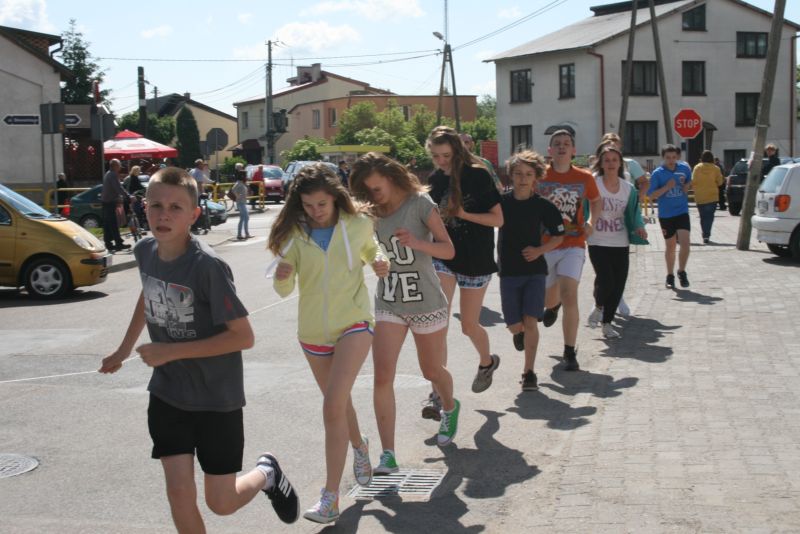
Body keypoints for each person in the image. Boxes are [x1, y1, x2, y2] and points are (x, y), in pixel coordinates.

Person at [99, 167, 299, 531]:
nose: (164, 215)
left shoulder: (208, 266)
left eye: (176, 207)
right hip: (168, 393)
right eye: (156, 205)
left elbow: (243, 337)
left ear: (194, 214)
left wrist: (170, 352)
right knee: (178, 493)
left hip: (216, 399)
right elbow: (149, 294)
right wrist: (123, 350)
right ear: (144, 207)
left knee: (221, 502)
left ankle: (266, 473)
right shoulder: (145, 251)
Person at [268, 163, 389, 524]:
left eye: (321, 204)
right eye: (308, 205)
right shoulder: (294, 234)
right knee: (339, 403)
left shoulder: (357, 224)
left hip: (354, 322)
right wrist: (282, 276)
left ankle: (330, 497)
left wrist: (379, 260)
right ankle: (360, 446)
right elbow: (283, 289)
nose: (315, 211)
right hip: (313, 334)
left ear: (336, 198)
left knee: (332, 405)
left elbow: (371, 249)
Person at [349, 152, 459, 477]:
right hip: (390, 302)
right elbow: (368, 251)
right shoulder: (369, 213)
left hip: (426, 302)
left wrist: (418, 244)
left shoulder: (420, 204)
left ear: (392, 178)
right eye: (367, 191)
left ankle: (450, 407)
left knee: (431, 371)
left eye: (377, 188)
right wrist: (375, 262)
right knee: (382, 376)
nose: (373, 196)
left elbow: (449, 249)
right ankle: (388, 454)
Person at [426, 125, 504, 403]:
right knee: (439, 324)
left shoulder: (478, 175)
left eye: (446, 155)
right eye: (436, 156)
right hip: (444, 259)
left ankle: (487, 362)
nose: (441, 161)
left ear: (457, 151)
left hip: (476, 260)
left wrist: (462, 214)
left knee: (469, 325)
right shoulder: (434, 180)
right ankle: (438, 393)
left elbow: (498, 219)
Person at [498, 150, 565, 390]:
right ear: (511, 175)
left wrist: (539, 250)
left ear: (536, 176)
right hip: (508, 272)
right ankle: (518, 333)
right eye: (518, 173)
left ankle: (529, 372)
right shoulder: (501, 203)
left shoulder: (543, 206)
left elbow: (558, 236)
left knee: (531, 322)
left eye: (528, 174)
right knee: (515, 325)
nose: (523, 179)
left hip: (535, 271)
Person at [538, 129, 601, 371]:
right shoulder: (540, 176)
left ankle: (569, 351)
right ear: (550, 150)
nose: (562, 147)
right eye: (557, 143)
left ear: (574, 150)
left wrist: (592, 222)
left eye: (566, 143)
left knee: (569, 294)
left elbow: (596, 201)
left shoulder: (584, 177)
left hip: (573, 244)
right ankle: (553, 306)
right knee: (549, 298)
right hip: (546, 244)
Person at [586, 145, 648, 338]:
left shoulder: (628, 189)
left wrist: (639, 227)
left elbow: (634, 213)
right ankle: (598, 306)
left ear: (620, 163)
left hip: (620, 241)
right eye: (607, 160)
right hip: (597, 240)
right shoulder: (593, 184)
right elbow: (584, 208)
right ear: (601, 164)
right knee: (606, 279)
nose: (611, 163)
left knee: (618, 284)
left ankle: (607, 323)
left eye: (614, 160)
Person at [648, 144, 693, 289]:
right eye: (668, 157)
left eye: (674, 157)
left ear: (677, 157)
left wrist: (688, 186)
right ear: (663, 158)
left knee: (685, 243)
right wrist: (667, 187)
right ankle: (670, 275)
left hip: (682, 211)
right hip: (666, 214)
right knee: (671, 246)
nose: (671, 160)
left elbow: (688, 183)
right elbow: (651, 195)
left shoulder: (684, 169)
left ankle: (682, 271)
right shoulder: (658, 173)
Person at [691, 150, 725, 244]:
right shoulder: (716, 168)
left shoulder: (697, 168)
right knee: (709, 217)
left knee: (703, 217)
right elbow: (720, 182)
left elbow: (693, 181)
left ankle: (704, 234)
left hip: (700, 196)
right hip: (712, 196)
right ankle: (707, 235)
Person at [100, 158, 130, 252]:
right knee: (113, 223)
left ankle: (108, 244)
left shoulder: (108, 173)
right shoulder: (112, 174)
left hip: (106, 201)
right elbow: (118, 187)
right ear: (115, 166)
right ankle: (118, 243)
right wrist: (127, 196)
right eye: (119, 165)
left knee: (108, 224)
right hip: (109, 202)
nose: (120, 167)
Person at [231, 171, 251, 240]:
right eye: (245, 175)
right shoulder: (238, 183)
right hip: (240, 203)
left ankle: (240, 234)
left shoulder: (242, 183)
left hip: (242, 202)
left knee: (243, 218)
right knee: (246, 217)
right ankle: (245, 234)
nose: (246, 176)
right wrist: (237, 196)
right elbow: (233, 189)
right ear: (242, 176)